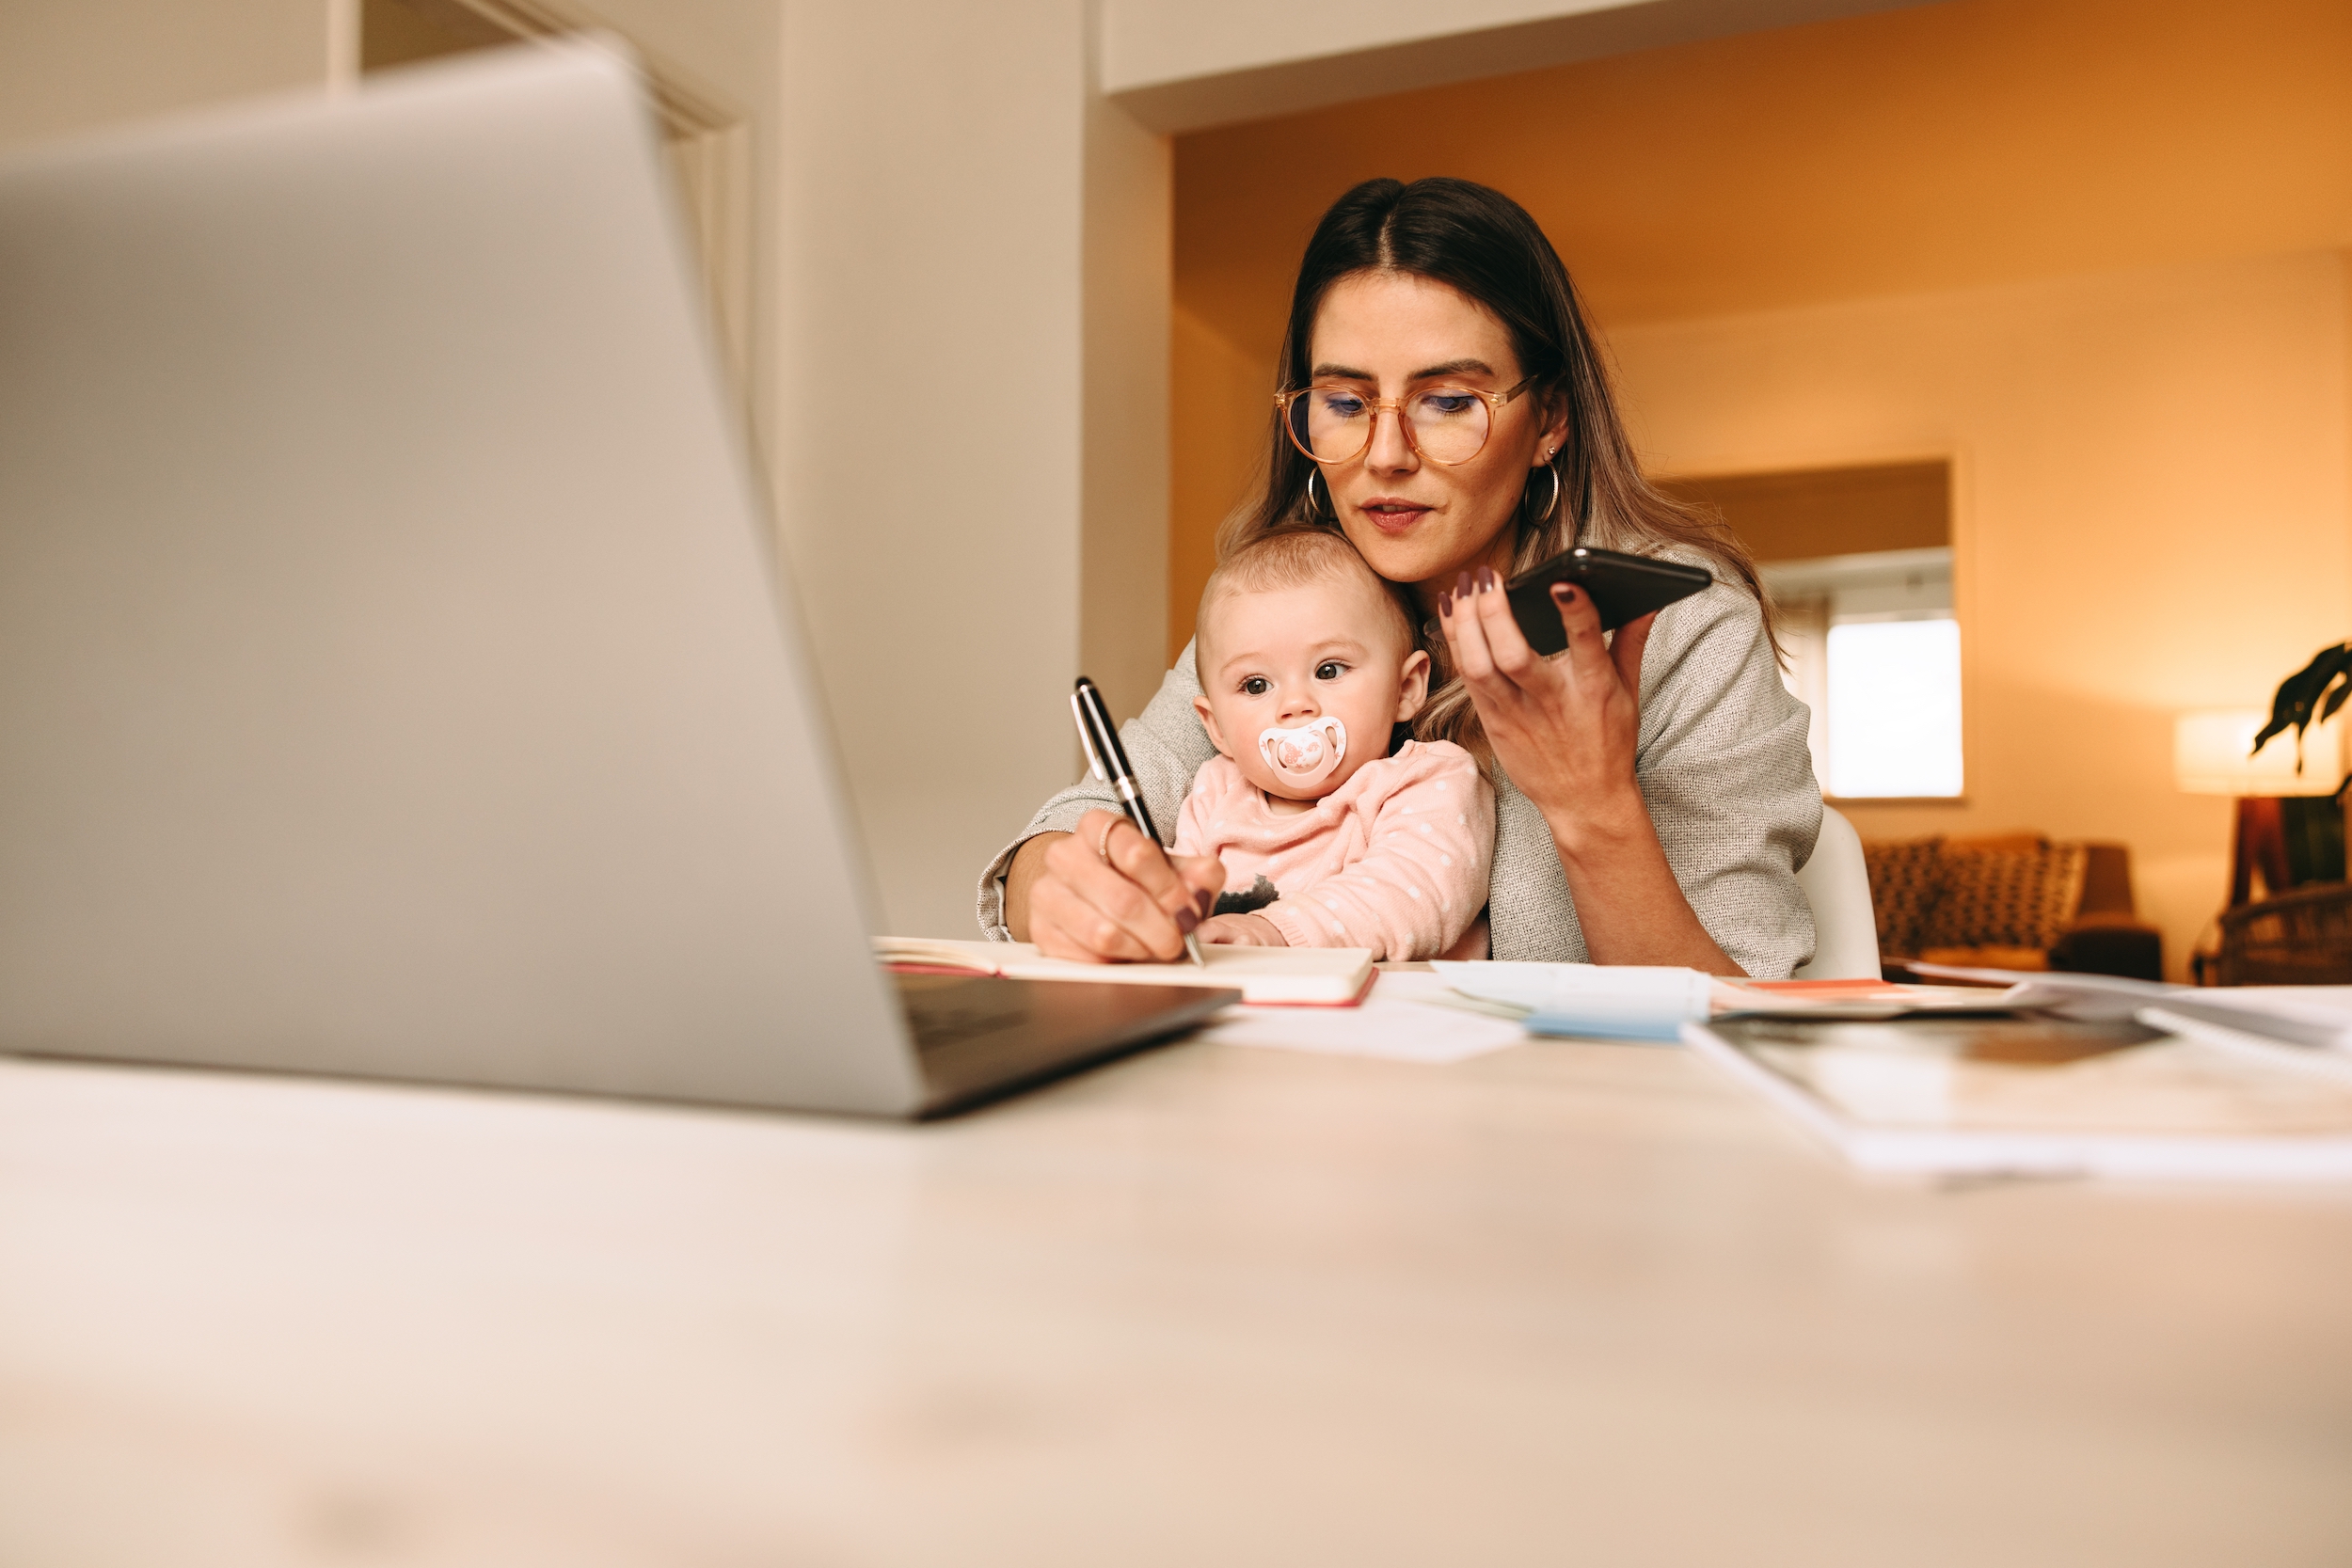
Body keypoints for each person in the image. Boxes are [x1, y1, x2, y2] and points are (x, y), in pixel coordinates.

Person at [978, 176, 1820, 976]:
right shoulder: (1285, 606)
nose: (1385, 456)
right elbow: (1075, 826)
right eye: (1345, 403)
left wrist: (1594, 807)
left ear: (1551, 420)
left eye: (1448, 401)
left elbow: (1747, 1019)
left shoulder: (1679, 627)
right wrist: (1057, 883)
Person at [1175, 527, 1495, 960]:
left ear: (1404, 689)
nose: (1294, 705)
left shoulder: (1426, 779)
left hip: (1388, 1019)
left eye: (1328, 670)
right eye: (1255, 684)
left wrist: (1275, 930)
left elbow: (1412, 892)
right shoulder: (1216, 792)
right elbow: (1181, 894)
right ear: (1217, 728)